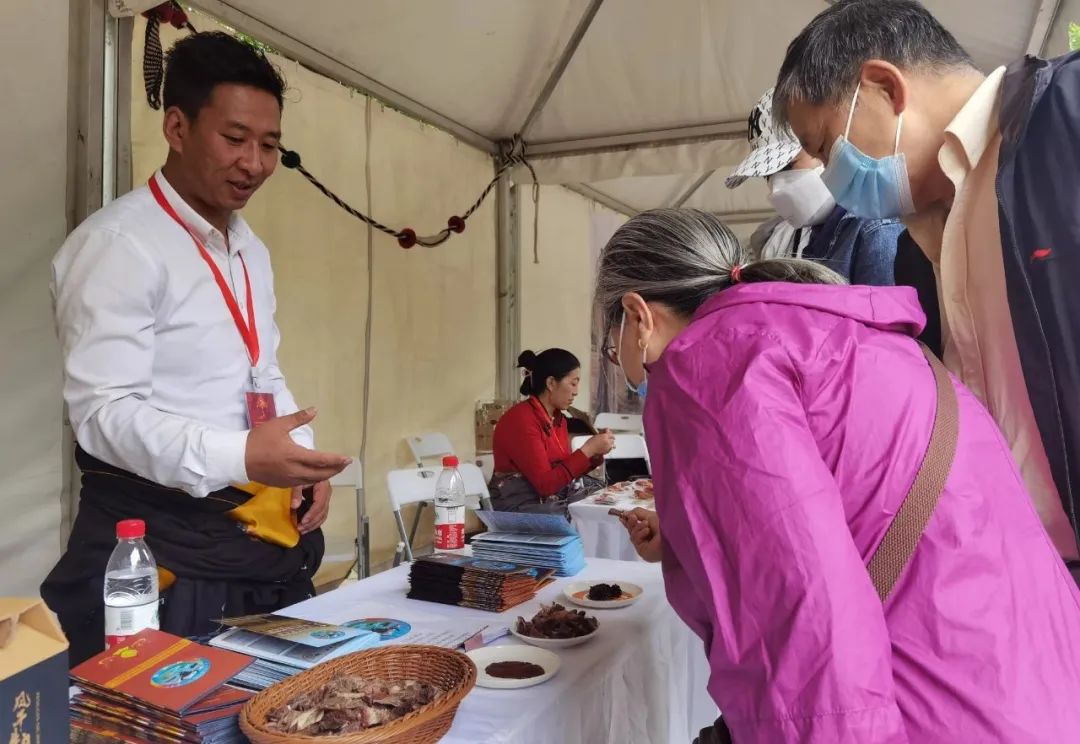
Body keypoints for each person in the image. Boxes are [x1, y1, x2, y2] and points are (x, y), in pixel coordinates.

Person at [596, 208, 1080, 743]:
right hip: (1030, 684)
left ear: (636, 316)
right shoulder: (835, 333)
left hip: (929, 711)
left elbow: (800, 627)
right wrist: (688, 538)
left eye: (610, 343)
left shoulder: (707, 364)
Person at [43, 32, 350, 665]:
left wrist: (298, 460)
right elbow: (104, 414)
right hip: (159, 552)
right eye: (235, 139)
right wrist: (242, 454)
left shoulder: (250, 250)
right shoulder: (119, 246)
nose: (254, 164)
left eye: (270, 145)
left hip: (252, 536)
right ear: (177, 128)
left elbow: (261, 372)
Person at [773, 0, 1080, 562]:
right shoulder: (915, 250)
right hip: (1026, 566)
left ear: (884, 88)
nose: (832, 179)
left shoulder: (1066, 114)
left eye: (825, 148)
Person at [726, 87, 902, 284]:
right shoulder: (817, 233)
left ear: (824, 145)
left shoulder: (876, 231)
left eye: (788, 165)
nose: (776, 187)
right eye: (768, 175)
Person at [489, 349, 614, 514]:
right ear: (551, 383)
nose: (576, 391)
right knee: (585, 514)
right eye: (573, 383)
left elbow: (562, 474)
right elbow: (546, 486)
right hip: (518, 506)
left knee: (607, 502)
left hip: (546, 500)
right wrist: (588, 449)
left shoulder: (557, 419)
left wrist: (595, 453)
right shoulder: (521, 420)